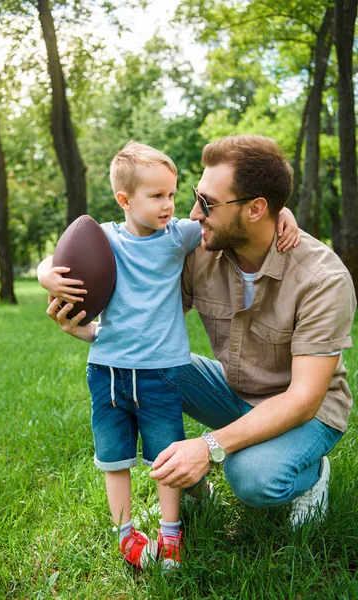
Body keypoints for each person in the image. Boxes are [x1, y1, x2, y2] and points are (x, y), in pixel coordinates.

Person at [37, 141, 299, 570]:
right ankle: (125, 534)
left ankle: (171, 533)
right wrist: (48, 274)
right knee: (113, 456)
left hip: (161, 372)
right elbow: (54, 260)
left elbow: (251, 218)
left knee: (167, 453)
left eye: (173, 195)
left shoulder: (180, 235)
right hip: (106, 369)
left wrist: (282, 213)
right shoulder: (103, 239)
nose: (170, 205)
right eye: (156, 196)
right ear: (125, 200)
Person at [149, 134, 356, 529]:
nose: (193, 214)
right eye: (196, 197)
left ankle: (312, 474)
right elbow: (127, 242)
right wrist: (73, 306)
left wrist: (209, 446)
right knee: (140, 371)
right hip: (235, 390)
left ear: (257, 209)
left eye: (207, 204)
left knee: (251, 478)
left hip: (307, 413)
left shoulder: (322, 279)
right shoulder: (203, 248)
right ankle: (192, 494)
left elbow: (303, 400)